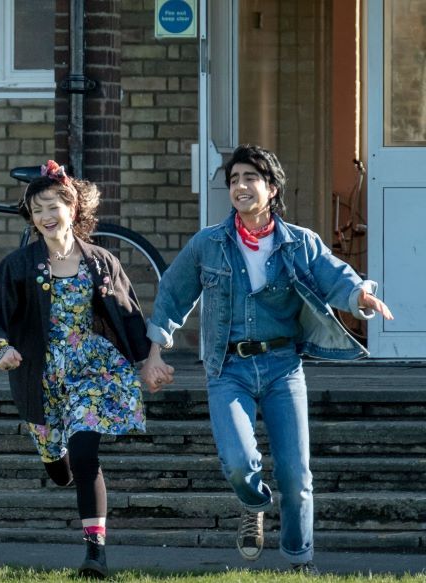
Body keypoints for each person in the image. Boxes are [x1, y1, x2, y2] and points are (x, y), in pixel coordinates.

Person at [140, 144, 394, 575]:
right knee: (239, 462)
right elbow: (172, 294)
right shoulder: (209, 244)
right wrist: (153, 354)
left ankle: (298, 560)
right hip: (228, 368)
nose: (240, 186)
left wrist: (360, 295)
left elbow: (335, 276)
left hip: (283, 368)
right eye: (234, 180)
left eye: (249, 178)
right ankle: (254, 503)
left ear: (271, 188)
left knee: (296, 478)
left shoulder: (299, 242)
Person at [0, 161, 160, 579]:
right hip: (41, 372)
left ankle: (95, 553)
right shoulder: (19, 265)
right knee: (58, 464)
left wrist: (152, 359)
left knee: (84, 452)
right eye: (36, 209)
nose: (44, 216)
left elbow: (131, 316)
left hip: (93, 369)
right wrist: (1, 347)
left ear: (72, 207)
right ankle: (52, 454)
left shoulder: (101, 261)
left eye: (52, 205)